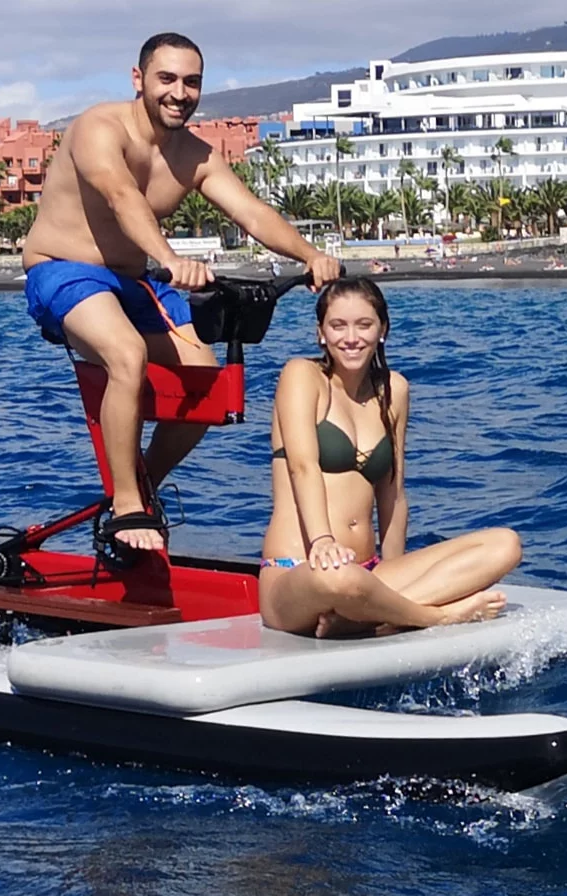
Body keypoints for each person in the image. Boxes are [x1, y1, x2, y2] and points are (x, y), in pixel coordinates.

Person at [23, 32, 340, 553]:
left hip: (136, 283)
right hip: (63, 269)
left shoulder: (193, 155)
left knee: (207, 382)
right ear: (139, 79)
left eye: (191, 82)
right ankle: (127, 507)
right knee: (126, 356)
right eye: (166, 78)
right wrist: (169, 260)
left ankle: (142, 483)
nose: (179, 92)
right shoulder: (97, 129)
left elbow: (252, 213)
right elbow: (121, 195)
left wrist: (310, 256)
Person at [259, 278, 521, 637]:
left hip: (367, 570)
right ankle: (435, 616)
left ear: (383, 329)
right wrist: (322, 541)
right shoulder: (302, 376)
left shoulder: (394, 391)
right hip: (301, 569)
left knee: (505, 544)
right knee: (339, 578)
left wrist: (392, 575)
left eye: (364, 325)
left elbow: (393, 494)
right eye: (338, 326)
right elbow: (302, 466)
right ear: (320, 332)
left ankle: (372, 613)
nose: (351, 337)